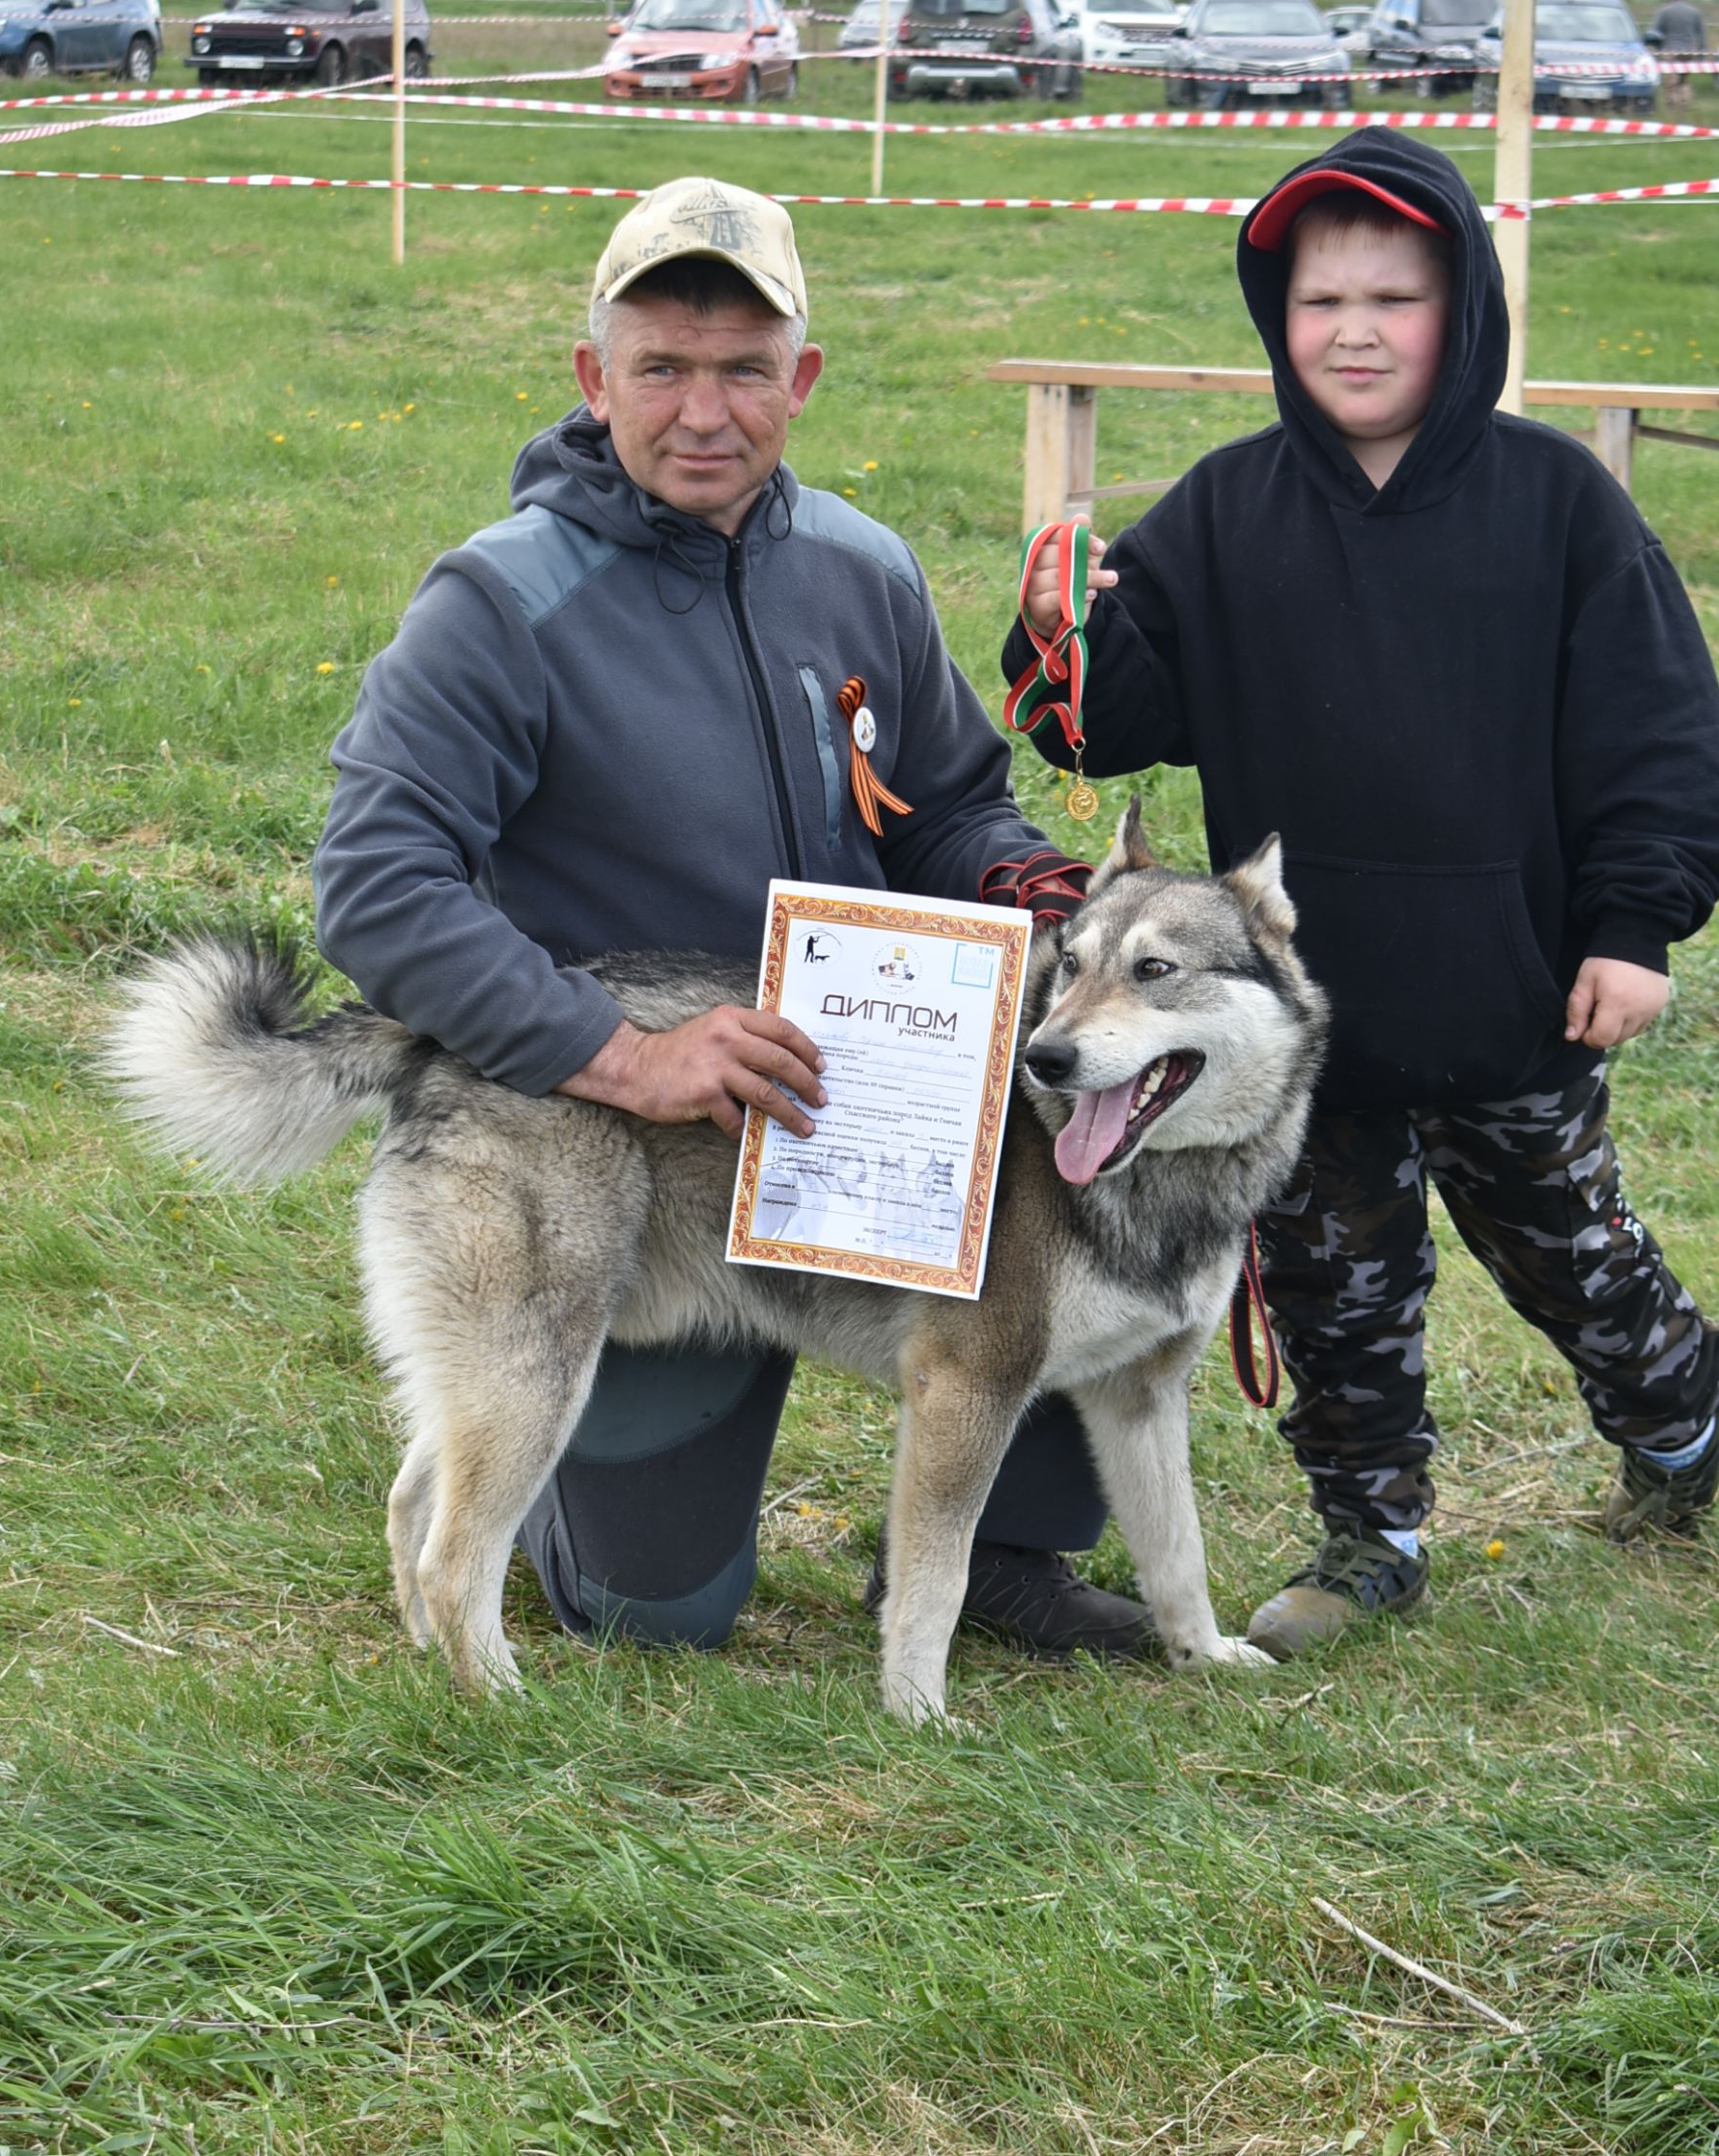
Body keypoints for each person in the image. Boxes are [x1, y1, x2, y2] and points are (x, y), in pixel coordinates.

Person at [315, 174, 1146, 1664]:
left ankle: (1007, 1556)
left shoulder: (865, 567)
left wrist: (1032, 885)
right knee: (658, 1614)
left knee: (1084, 1206)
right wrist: (620, 1056)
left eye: (744, 370)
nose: (706, 411)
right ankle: (557, 1497)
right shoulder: (498, 604)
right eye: (663, 368)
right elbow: (377, 885)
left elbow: (953, 801)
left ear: (801, 381)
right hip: (637, 1156)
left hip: (866, 1116)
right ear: (594, 378)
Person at [1006, 130, 1719, 1655]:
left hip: (1513, 993)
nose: (1354, 328)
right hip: (1287, 1030)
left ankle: (1678, 1429)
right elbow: (1106, 723)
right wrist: (1066, 638)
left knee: (1573, 1255)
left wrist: (1633, 924)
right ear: (1280, 316)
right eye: (1321, 297)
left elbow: (1656, 728)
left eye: (1394, 295)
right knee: (1335, 1285)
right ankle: (1370, 1528)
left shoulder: (1559, 507)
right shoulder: (1222, 510)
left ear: (1462, 308)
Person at [1646, 0, 1707, 110]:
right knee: (1683, 80)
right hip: (1688, 51)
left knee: (1671, 81)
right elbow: (1702, 35)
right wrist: (1702, 56)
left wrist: (1657, 50)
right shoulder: (1695, 12)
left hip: (1669, 51)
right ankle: (1684, 103)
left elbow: (1653, 34)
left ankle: (1673, 106)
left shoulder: (1664, 12)